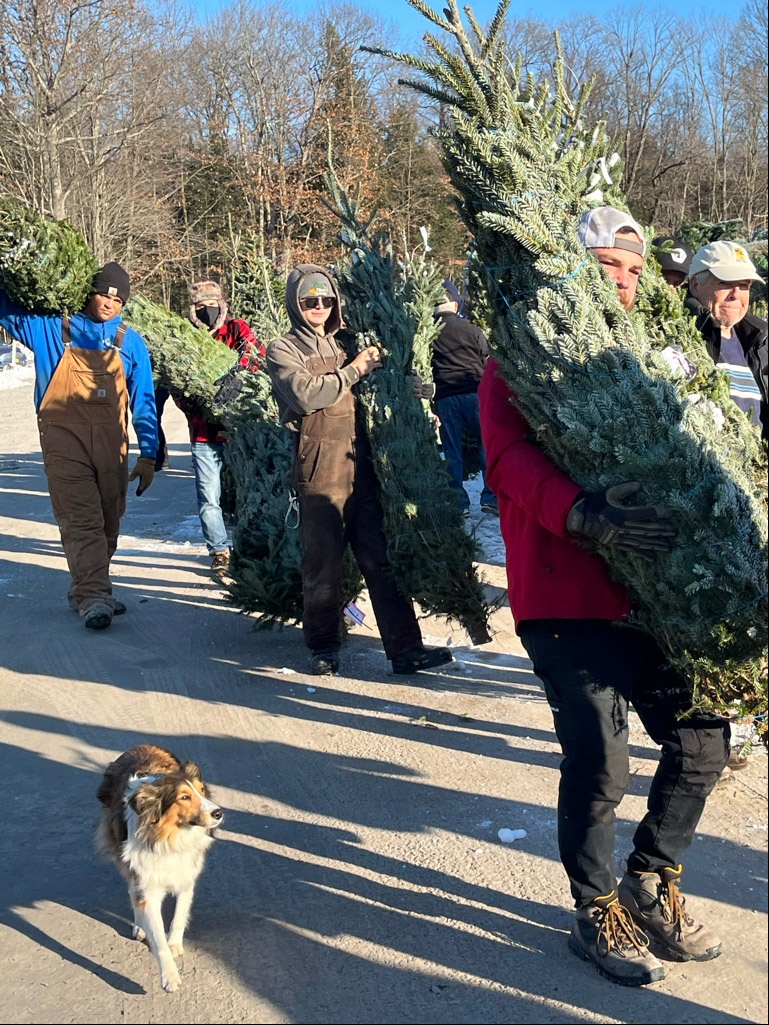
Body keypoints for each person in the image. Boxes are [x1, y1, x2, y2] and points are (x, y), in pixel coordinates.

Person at [478, 206, 729, 987]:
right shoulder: (522, 355)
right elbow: (505, 459)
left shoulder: (650, 360)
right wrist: (584, 513)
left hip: (651, 596)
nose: (619, 279)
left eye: (629, 266)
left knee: (702, 739)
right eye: (603, 265)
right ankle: (595, 909)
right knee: (598, 758)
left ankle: (650, 877)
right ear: (573, 270)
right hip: (563, 592)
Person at [265, 264, 453, 677]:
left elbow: (386, 388)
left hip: (362, 467)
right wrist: (355, 370)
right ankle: (323, 648)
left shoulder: (352, 341)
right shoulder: (283, 349)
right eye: (309, 300)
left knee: (382, 563)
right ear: (296, 304)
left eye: (326, 300)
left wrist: (416, 389)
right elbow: (305, 395)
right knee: (323, 567)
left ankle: (405, 649)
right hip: (318, 472)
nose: (318, 306)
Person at [0, 262, 158, 630]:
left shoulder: (129, 341)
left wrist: (149, 453)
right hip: (64, 441)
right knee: (82, 519)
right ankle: (94, 597)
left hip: (111, 445)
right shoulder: (53, 328)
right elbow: (6, 309)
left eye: (118, 298)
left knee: (108, 519)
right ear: (90, 292)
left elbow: (144, 399)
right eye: (104, 293)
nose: (109, 303)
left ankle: (89, 585)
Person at [182, 280, 265, 580]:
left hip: (238, 431)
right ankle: (219, 552)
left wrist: (237, 376)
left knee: (248, 493)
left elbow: (256, 354)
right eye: (200, 307)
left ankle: (249, 548)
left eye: (212, 305)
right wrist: (193, 404)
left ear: (222, 304)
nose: (207, 311)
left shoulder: (236, 330)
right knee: (209, 496)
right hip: (203, 434)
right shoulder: (187, 338)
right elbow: (176, 381)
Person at [686, 240, 767, 440]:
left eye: (744, 285)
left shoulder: (760, 342)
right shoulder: (679, 338)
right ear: (695, 285)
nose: (736, 295)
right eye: (725, 283)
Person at [431, 279, 497, 515]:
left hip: (446, 397)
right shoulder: (471, 328)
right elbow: (486, 356)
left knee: (452, 450)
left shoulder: (430, 332)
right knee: (486, 446)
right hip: (474, 393)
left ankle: (458, 503)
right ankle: (491, 497)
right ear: (456, 305)